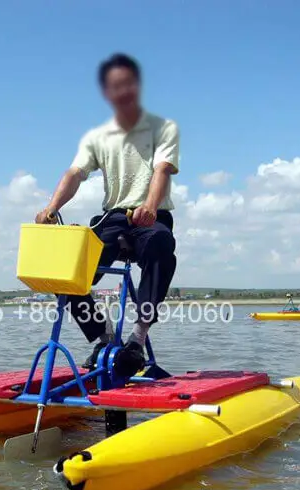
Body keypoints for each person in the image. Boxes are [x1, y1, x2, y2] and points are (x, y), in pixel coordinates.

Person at [34, 53, 179, 374]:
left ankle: (137, 339)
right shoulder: (96, 138)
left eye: (127, 84)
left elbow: (162, 170)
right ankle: (105, 337)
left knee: (160, 244)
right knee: (66, 270)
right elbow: (74, 173)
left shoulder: (163, 128)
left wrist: (150, 207)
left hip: (151, 216)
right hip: (112, 218)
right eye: (115, 86)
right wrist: (51, 207)